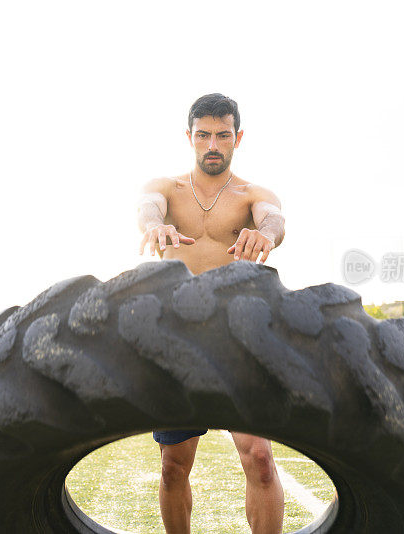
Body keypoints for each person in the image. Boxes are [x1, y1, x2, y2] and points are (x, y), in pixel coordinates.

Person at [137, 93, 286, 534]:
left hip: (238, 340)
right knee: (173, 467)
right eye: (203, 135)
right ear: (190, 137)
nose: (212, 145)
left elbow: (274, 219)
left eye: (223, 135)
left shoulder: (252, 194)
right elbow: (147, 208)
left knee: (259, 457)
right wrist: (153, 227)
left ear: (237, 137)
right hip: (178, 340)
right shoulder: (166, 189)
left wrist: (267, 236)